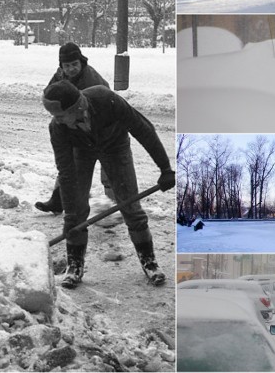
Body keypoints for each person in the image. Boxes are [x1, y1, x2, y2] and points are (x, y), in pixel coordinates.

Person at [42, 80, 176, 289]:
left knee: (130, 206)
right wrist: (70, 214)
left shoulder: (107, 100)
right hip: (81, 151)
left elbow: (143, 129)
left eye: (59, 115)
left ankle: (149, 261)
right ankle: (74, 265)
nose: (56, 120)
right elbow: (66, 173)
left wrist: (165, 169)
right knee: (75, 213)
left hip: (115, 146)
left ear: (76, 108)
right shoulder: (58, 128)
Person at [35, 42, 110, 214]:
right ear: (61, 66)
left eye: (74, 64)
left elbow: (100, 110)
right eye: (67, 65)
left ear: (81, 62)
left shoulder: (91, 80)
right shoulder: (60, 76)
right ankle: (58, 200)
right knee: (67, 164)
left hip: (101, 127)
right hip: (74, 126)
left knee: (109, 167)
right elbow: (50, 94)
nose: (71, 69)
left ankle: (112, 206)